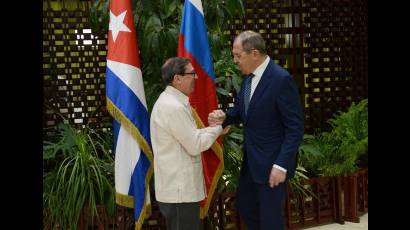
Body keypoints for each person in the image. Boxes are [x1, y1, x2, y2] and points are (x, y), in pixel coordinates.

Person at [209, 30, 304, 230]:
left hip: (272, 165)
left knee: (270, 220)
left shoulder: (281, 80)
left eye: (237, 55)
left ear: (254, 54)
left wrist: (281, 165)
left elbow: (295, 129)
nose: (235, 61)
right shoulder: (248, 78)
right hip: (251, 162)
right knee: (245, 206)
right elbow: (246, 112)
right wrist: (225, 117)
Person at [150, 57, 226, 230]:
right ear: (177, 78)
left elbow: (190, 136)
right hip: (180, 193)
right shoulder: (173, 107)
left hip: (178, 191)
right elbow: (195, 144)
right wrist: (218, 128)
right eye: (191, 73)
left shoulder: (172, 102)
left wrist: (213, 130)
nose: (196, 78)